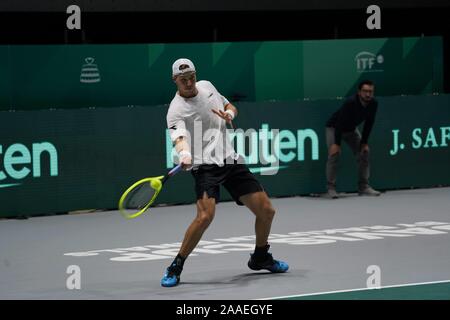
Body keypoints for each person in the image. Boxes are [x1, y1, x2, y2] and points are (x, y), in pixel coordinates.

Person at [161, 58, 288, 287]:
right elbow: (179, 138)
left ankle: (260, 257)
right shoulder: (175, 110)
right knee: (204, 217)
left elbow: (230, 106)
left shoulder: (208, 86)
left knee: (267, 210)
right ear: (175, 80)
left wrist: (230, 114)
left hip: (230, 160)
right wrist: (184, 154)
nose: (189, 82)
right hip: (205, 167)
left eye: (191, 77)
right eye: (183, 79)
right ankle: (176, 265)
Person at [325, 80, 381, 199]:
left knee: (364, 153)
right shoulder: (350, 102)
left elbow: (369, 123)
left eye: (370, 91)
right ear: (359, 92)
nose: (368, 94)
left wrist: (364, 142)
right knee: (334, 154)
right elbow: (339, 123)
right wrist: (336, 143)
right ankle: (331, 188)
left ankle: (363, 187)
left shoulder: (374, 103)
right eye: (365, 91)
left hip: (351, 130)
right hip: (334, 128)